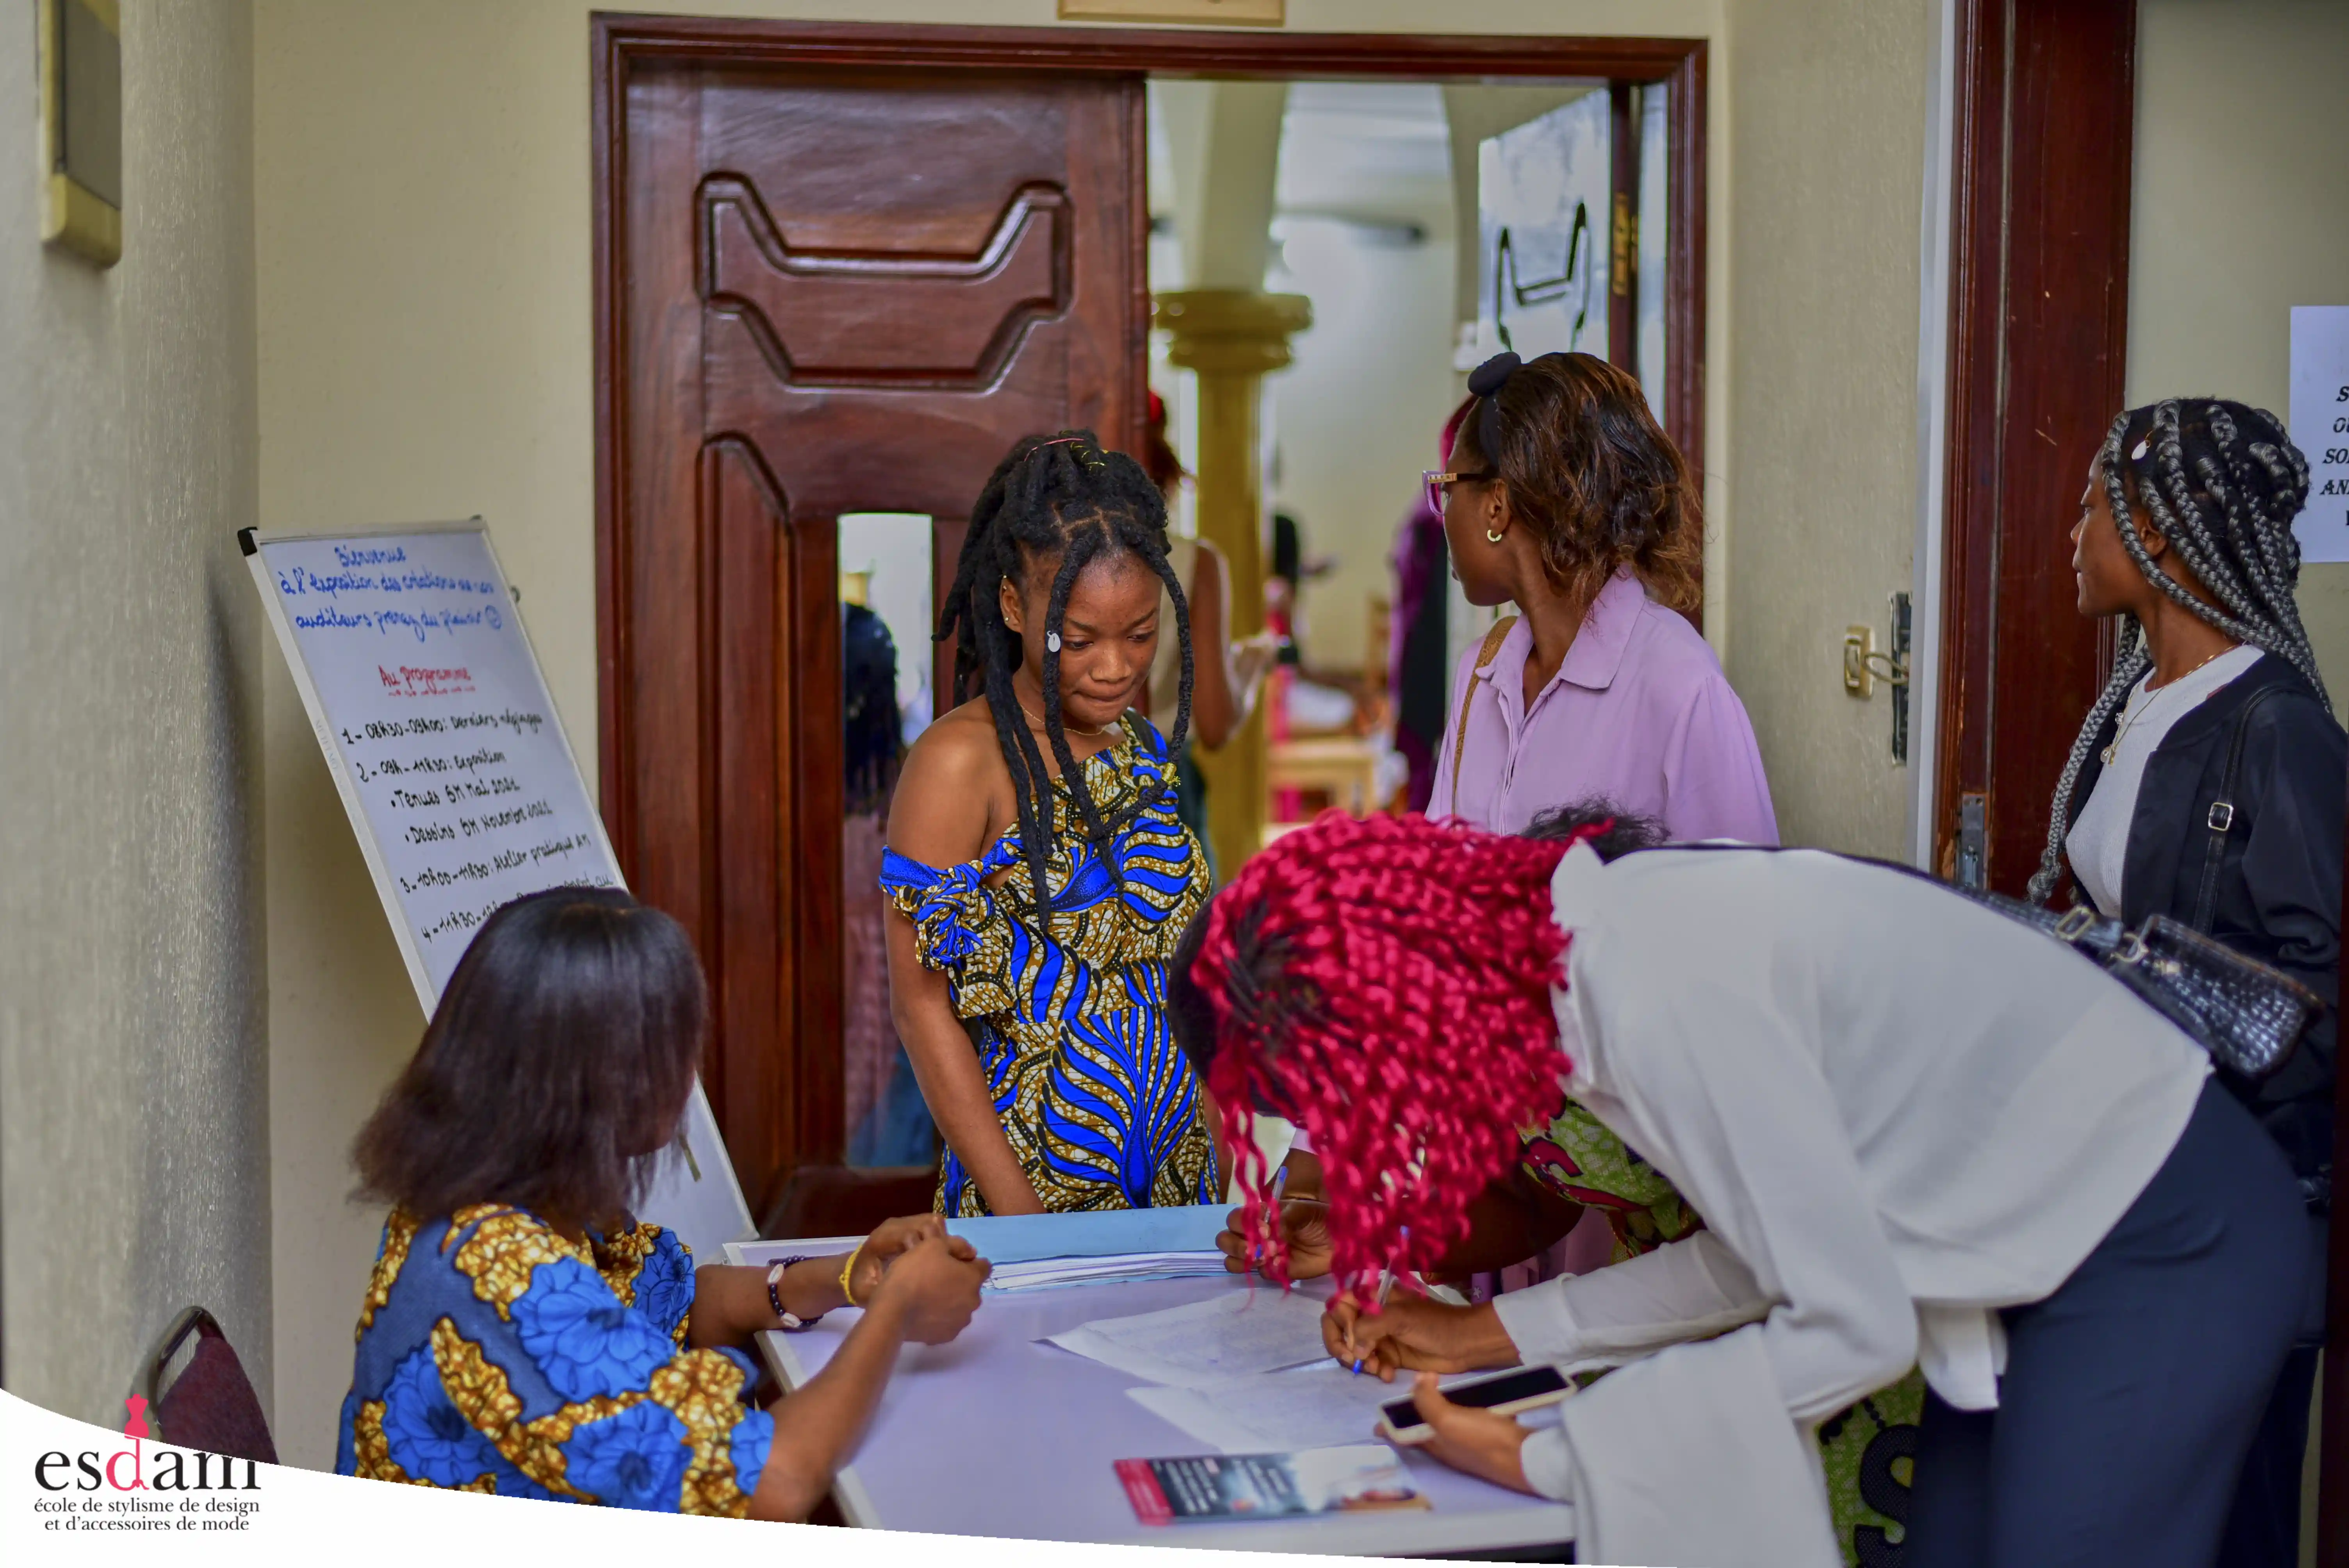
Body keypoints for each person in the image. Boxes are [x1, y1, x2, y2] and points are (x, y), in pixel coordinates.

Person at [1177, 812, 2308, 1568]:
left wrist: (1558, 1455)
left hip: (2164, 1232)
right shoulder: (1582, 959)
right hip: (2039, 1252)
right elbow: (1767, 1248)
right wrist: (1483, 1333)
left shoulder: (1656, 991)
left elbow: (1851, 1328)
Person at [338, 887, 990, 1518]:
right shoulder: (499, 1268)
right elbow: (777, 1482)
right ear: (602, 1076)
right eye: (673, 1047)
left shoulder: (511, 1193)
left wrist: (847, 1278)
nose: (687, 1073)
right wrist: (898, 1309)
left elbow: (678, 1308)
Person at [2030, 397, 2341, 1568]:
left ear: (2158, 534)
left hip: (2238, 1205)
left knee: (2230, 1524)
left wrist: (2123, 978)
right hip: (2132, 1183)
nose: (2072, 528)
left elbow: (2320, 996)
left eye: (2090, 501)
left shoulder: (2277, 730)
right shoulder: (2139, 706)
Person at [882, 430, 1220, 1216]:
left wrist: (1218, 1142)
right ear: (1011, 603)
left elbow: (1180, 967)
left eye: (1140, 634)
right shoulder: (958, 763)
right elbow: (920, 1005)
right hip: (1032, 1199)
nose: (1114, 667)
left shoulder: (1139, 746)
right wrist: (1022, 1220)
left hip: (1183, 1189)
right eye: (1078, 636)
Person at [1428, 350, 1775, 842]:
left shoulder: (1680, 686)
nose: (1442, 512)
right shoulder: (1480, 672)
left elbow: (1743, 900)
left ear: (1496, 507)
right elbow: (1439, 867)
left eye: (1446, 489)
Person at [1138, 390, 1278, 879]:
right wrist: (1250, 668)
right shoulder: (1195, 563)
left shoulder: (1052, 556)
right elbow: (1215, 723)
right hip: (1161, 790)